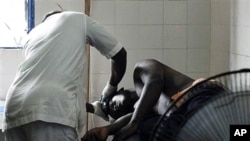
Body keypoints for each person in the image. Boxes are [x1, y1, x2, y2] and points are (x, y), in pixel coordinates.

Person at [3, 10, 127, 141]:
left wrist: (94, 108)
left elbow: (40, 93)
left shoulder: (32, 35)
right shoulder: (76, 18)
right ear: (61, 13)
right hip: (51, 114)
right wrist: (111, 87)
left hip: (13, 107)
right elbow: (119, 54)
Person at [82, 59, 228, 141]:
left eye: (111, 103)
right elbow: (134, 116)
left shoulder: (139, 72)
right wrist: (107, 129)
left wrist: (133, 124)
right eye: (113, 113)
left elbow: (155, 82)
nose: (114, 109)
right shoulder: (147, 112)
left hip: (198, 96)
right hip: (184, 121)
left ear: (120, 90)